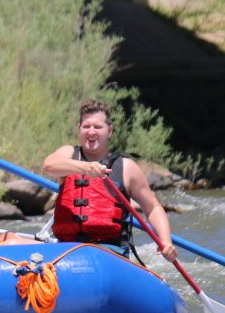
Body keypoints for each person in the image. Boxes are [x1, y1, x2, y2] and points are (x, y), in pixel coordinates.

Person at [40, 99, 178, 262]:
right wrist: (84, 168)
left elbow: (153, 207)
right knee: (11, 239)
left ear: (109, 130)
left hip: (109, 251)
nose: (91, 132)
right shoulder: (69, 154)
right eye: (86, 127)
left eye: (97, 127)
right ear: (79, 130)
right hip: (66, 248)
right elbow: (48, 165)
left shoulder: (126, 167)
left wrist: (165, 240)